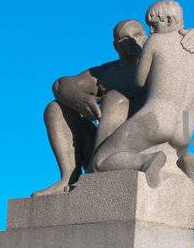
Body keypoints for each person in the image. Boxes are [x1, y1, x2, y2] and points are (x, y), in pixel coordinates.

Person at [92, 0, 194, 188]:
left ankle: (146, 161)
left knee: (102, 160)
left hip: (157, 117)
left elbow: (140, 80)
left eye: (154, 25)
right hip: (186, 127)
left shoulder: (156, 41)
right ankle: (186, 159)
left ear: (169, 21)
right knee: (170, 152)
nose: (151, 31)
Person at [33, 19, 146, 195]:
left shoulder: (159, 65)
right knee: (55, 109)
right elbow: (60, 85)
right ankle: (69, 178)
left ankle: (98, 172)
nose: (132, 41)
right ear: (116, 47)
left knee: (115, 98)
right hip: (100, 145)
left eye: (137, 35)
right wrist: (80, 99)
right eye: (124, 39)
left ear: (146, 37)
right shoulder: (108, 73)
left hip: (142, 146)